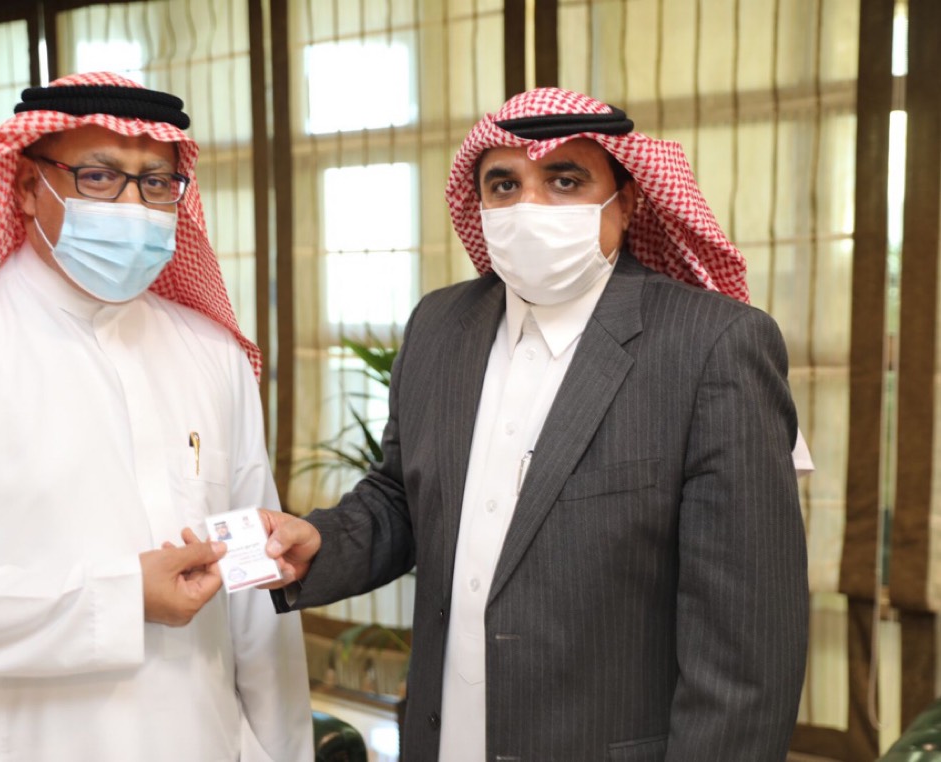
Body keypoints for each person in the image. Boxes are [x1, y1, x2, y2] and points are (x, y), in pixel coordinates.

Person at [263, 87, 809, 761]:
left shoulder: (711, 346)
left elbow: (747, 648)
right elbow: (402, 496)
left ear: (626, 202)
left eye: (564, 180)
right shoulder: (440, 325)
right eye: (504, 185)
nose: (529, 207)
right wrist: (319, 542)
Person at [0, 72, 312, 762]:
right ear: (25, 185)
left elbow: (253, 584)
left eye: (156, 182)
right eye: (98, 177)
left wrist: (285, 749)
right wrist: (116, 599)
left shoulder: (212, 353)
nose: (133, 205)